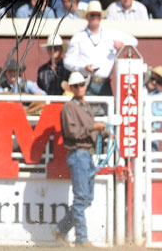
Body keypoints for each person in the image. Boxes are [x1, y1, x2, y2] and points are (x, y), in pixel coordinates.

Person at [52, 72, 109, 247]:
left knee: (85, 198)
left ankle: (61, 230)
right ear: (71, 88)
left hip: (85, 154)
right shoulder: (70, 107)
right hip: (78, 153)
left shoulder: (85, 106)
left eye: (81, 84)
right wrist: (95, 127)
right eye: (75, 86)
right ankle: (81, 239)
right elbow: (71, 132)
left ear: (85, 85)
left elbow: (85, 130)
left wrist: (105, 131)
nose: (79, 88)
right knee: (81, 198)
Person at [63, 0, 138, 99]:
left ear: (101, 17)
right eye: (92, 15)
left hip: (105, 83)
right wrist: (83, 67)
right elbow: (67, 62)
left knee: (107, 112)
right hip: (85, 83)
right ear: (87, 16)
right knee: (85, 113)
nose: (95, 17)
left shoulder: (110, 34)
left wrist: (122, 46)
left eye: (98, 15)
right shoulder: (78, 37)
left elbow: (134, 41)